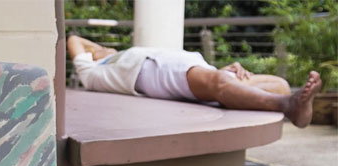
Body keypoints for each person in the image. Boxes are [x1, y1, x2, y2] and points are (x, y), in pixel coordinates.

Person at [67, 35, 322, 128]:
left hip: (180, 66)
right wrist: (100, 51)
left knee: (279, 84)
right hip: (151, 71)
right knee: (220, 83)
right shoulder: (90, 69)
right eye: (99, 49)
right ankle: (289, 107)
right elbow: (75, 39)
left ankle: (285, 97)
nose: (104, 48)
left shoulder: (110, 61)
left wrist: (219, 72)